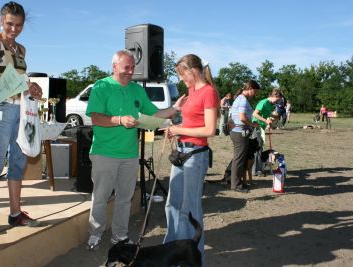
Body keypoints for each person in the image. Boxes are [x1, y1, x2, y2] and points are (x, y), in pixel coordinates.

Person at [86, 50, 185, 250]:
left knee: (125, 198)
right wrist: (120, 120)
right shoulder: (102, 86)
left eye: (133, 68)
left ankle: (120, 237)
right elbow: (95, 118)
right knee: (101, 198)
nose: (131, 72)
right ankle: (95, 235)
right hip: (104, 153)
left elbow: (155, 113)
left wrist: (175, 108)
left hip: (129, 155)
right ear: (114, 67)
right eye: (126, 68)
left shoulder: (137, 90)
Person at [0, 1, 43, 235]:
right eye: (10, 24)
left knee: (18, 162)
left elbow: (21, 79)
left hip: (21, 110)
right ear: (1, 21)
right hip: (0, 108)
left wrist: (31, 88)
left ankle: (15, 213)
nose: (14, 29)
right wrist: (4, 82)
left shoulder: (21, 49)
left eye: (19, 25)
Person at [163, 54, 219, 264]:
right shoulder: (191, 91)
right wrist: (175, 125)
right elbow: (190, 120)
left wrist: (178, 129)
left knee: (190, 208)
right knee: (172, 204)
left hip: (195, 156)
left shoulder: (209, 92)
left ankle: (193, 259)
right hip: (181, 153)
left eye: (182, 74)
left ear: (193, 71)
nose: (181, 79)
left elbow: (210, 129)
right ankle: (171, 253)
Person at [229, 80, 261, 193]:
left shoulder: (239, 98)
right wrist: (253, 124)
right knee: (239, 159)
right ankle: (236, 185)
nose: (255, 94)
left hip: (237, 131)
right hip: (239, 132)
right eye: (255, 92)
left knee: (239, 158)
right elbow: (242, 117)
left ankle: (235, 182)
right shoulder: (242, 100)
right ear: (250, 88)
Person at [251, 88, 282, 176]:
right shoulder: (263, 102)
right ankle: (256, 171)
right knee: (257, 149)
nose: (277, 101)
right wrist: (266, 121)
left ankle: (258, 169)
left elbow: (266, 114)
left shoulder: (271, 104)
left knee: (260, 148)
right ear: (273, 96)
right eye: (277, 99)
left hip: (262, 128)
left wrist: (273, 117)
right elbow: (255, 114)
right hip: (256, 127)